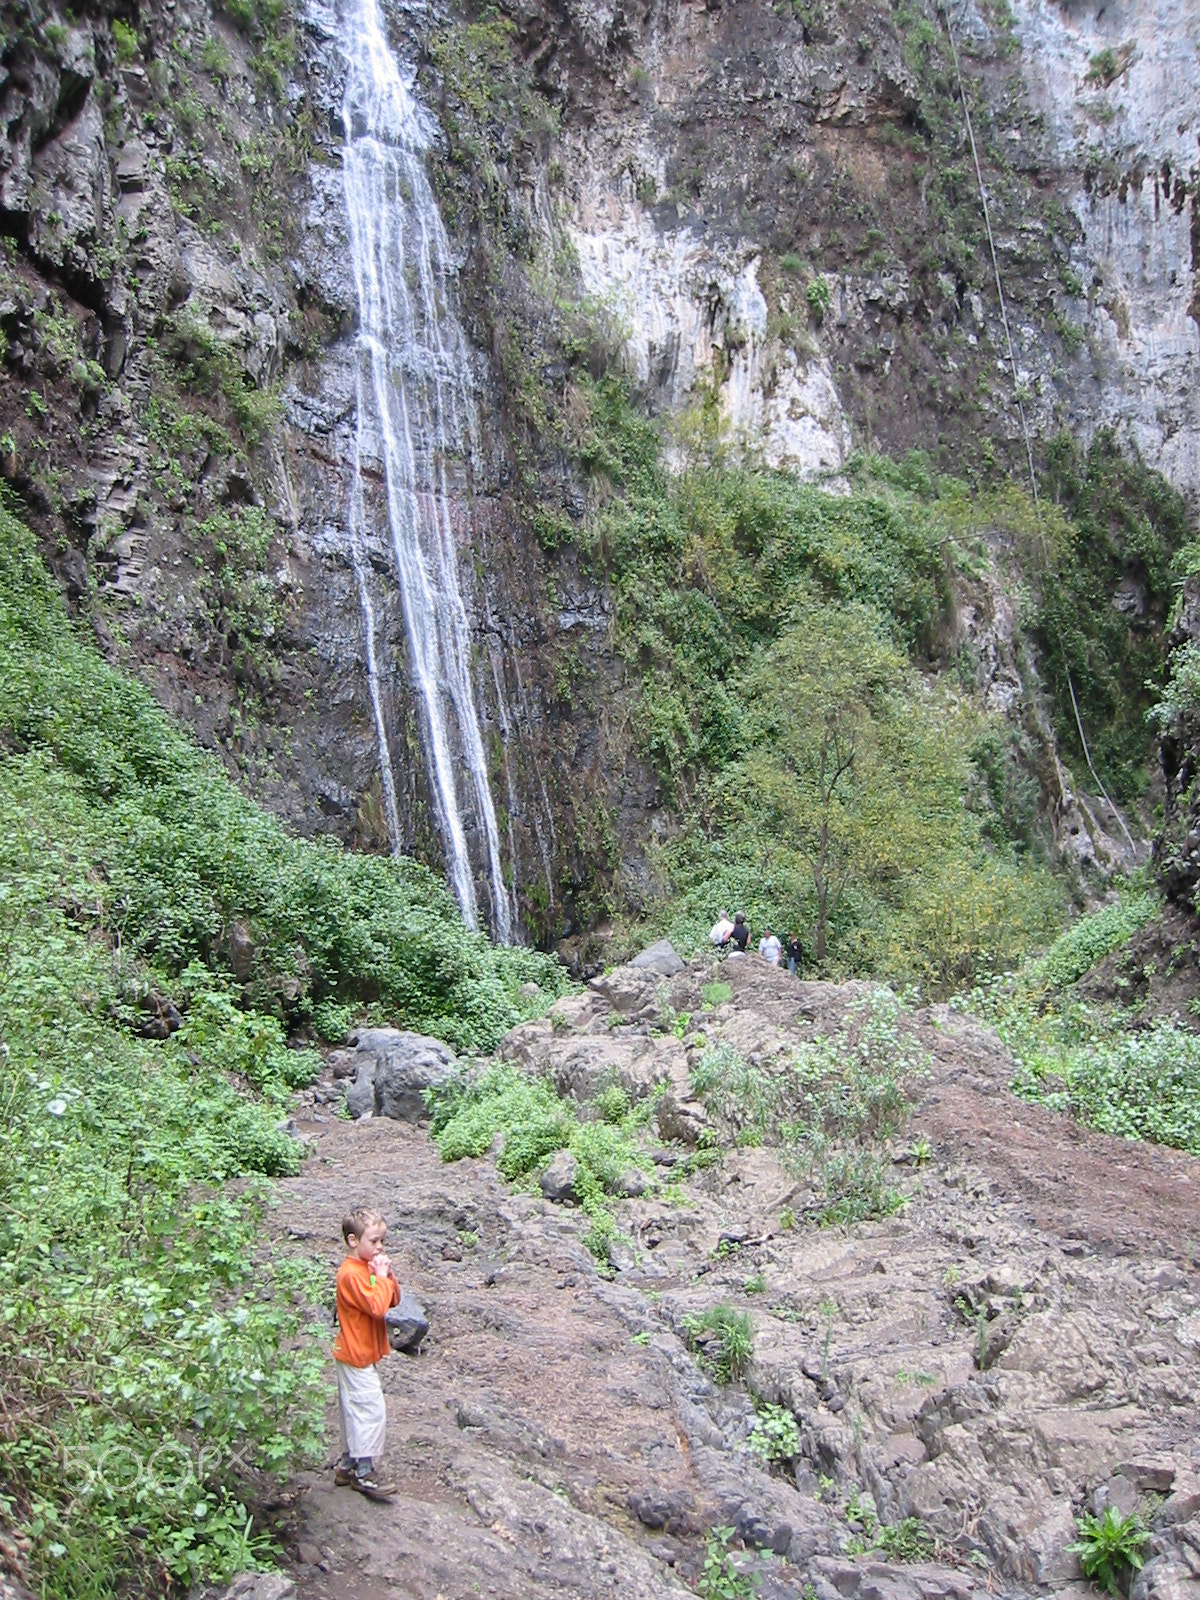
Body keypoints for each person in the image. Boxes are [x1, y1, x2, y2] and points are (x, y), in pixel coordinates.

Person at [333, 1206, 401, 1501]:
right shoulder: (350, 1275)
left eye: (381, 1240)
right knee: (369, 1410)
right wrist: (381, 1278)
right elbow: (376, 1306)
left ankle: (348, 1463)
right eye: (374, 1241)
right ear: (353, 1240)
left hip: (360, 1353)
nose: (380, 1247)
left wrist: (386, 1275)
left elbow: (392, 1299)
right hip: (355, 1352)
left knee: (355, 1407)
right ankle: (364, 1472)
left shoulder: (366, 1269)